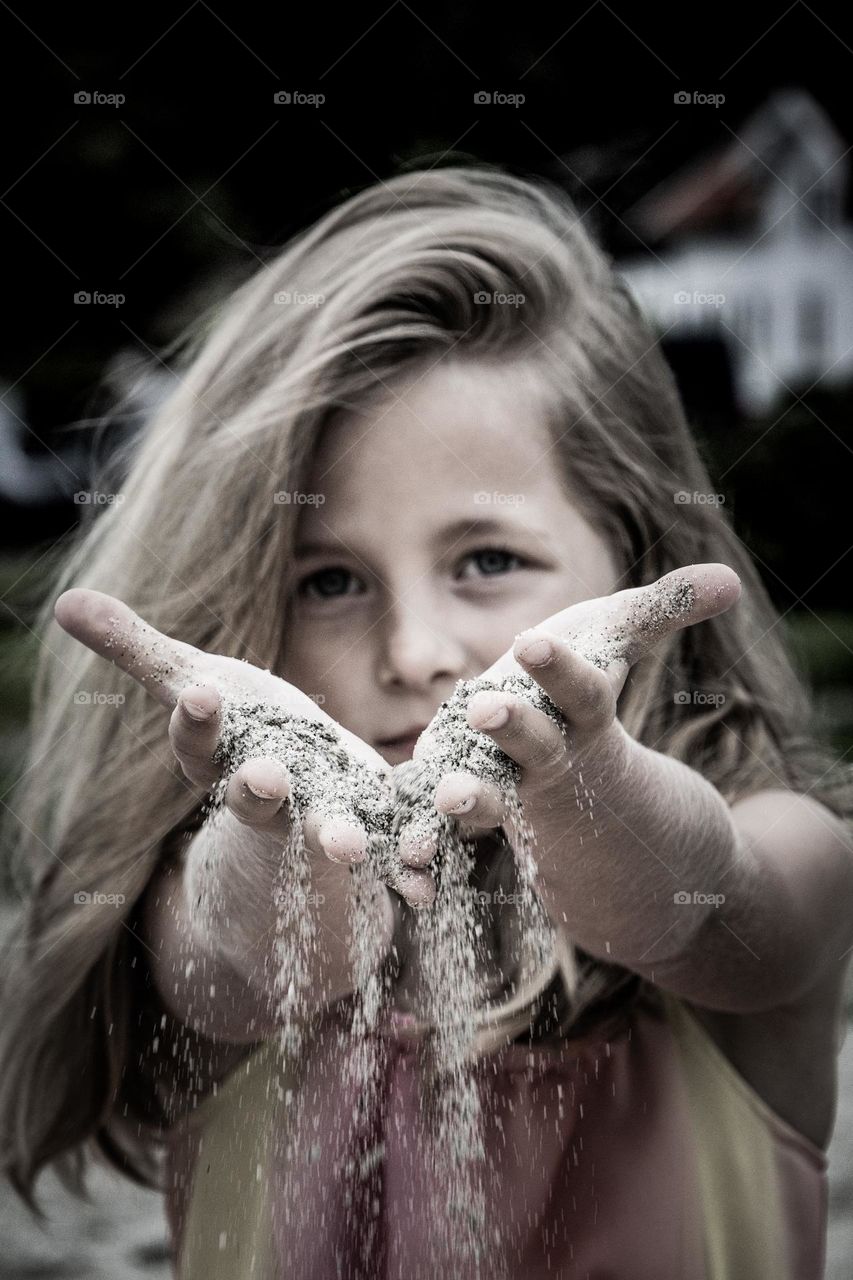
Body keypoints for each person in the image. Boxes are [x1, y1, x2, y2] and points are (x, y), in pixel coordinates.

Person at [1, 164, 850, 1279]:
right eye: (329, 581)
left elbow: (696, 905)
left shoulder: (797, 844)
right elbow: (239, 958)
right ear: (247, 596)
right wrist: (274, 827)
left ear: (631, 544)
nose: (414, 653)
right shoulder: (195, 883)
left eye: (488, 559)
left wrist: (580, 770)